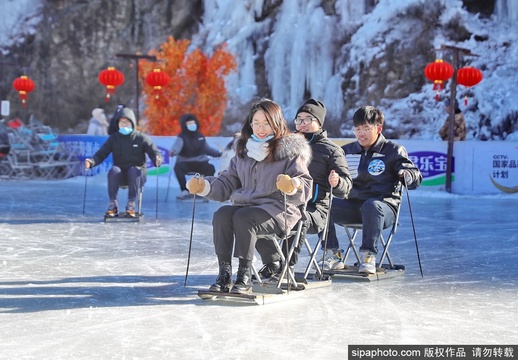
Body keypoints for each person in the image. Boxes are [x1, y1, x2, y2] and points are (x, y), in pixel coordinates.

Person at [186, 98, 312, 294]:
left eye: (266, 123)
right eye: (256, 123)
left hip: (278, 210)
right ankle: (224, 273)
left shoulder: (290, 153)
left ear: (276, 123)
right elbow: (227, 182)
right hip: (247, 207)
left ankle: (243, 275)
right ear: (250, 124)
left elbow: (305, 184)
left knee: (244, 217)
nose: (261, 128)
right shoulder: (243, 152)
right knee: (222, 214)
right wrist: (204, 187)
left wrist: (292, 184)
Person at [255, 99, 353, 277]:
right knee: (253, 214)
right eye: (299, 119)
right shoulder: (285, 144)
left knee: (297, 217)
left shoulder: (331, 150)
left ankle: (286, 268)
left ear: (319, 122)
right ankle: (273, 262)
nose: (302, 124)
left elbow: (346, 187)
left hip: (315, 210)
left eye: (308, 119)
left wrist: (337, 182)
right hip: (284, 203)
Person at [326, 105, 422, 274]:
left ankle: (368, 256)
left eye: (366, 128)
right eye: (357, 129)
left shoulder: (393, 150)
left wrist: (407, 175)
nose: (360, 133)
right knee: (324, 207)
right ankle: (333, 254)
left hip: (383, 208)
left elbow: (415, 175)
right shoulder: (346, 151)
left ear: (379, 128)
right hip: (353, 205)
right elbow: (335, 175)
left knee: (372, 205)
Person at [84, 107, 162, 217]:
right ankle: (113, 204)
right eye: (121, 122)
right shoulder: (114, 138)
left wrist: (157, 159)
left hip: (137, 174)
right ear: (118, 124)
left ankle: (131, 204)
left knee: (134, 170)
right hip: (121, 174)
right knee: (114, 171)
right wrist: (91, 162)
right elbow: (101, 153)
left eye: (127, 122)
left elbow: (154, 151)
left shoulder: (141, 138)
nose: (124, 124)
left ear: (132, 122)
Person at [170, 114, 223, 200]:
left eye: (193, 123)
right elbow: (177, 146)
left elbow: (208, 149)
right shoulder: (182, 137)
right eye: (189, 124)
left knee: (210, 168)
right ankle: (184, 191)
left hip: (201, 162)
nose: (192, 126)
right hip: (185, 162)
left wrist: (220, 154)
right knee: (178, 168)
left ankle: (204, 189)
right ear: (185, 126)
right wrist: (173, 151)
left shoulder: (200, 136)